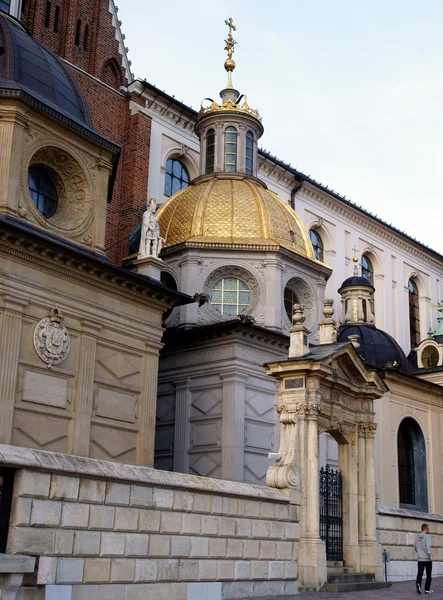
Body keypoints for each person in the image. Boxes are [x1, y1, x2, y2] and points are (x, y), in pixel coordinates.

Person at [416, 523, 434, 594]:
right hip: (427, 559)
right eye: (428, 529)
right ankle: (427, 589)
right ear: (425, 529)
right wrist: (431, 555)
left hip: (420, 559)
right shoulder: (427, 537)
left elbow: (415, 547)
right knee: (428, 574)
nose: (429, 530)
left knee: (420, 573)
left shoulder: (417, 537)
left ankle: (418, 583)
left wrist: (419, 553)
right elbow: (428, 547)